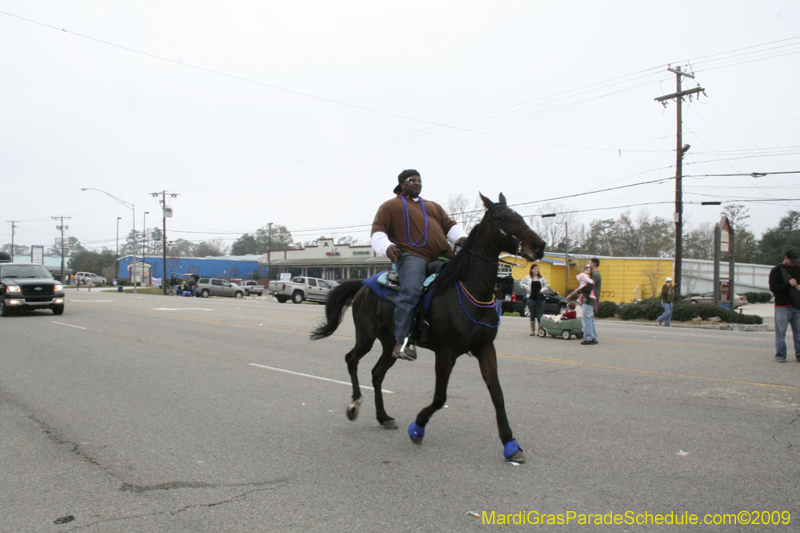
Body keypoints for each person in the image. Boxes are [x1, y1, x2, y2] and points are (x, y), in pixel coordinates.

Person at [371, 169, 468, 361]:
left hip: (442, 256)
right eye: (412, 180)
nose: (417, 183)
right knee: (412, 290)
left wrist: (463, 238)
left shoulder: (433, 206)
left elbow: (450, 226)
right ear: (402, 185)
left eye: (419, 180)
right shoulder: (390, 206)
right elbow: (377, 231)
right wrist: (387, 247)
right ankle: (402, 342)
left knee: (466, 281)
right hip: (412, 256)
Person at [768, 250, 800, 363]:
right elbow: (774, 288)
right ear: (786, 258)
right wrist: (788, 285)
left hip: (797, 306)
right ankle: (780, 355)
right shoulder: (776, 271)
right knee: (780, 333)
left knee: (799, 333)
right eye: (791, 260)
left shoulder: (798, 269)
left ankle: (799, 355)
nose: (793, 263)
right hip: (782, 306)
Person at [576, 257, 601, 345]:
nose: (589, 264)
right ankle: (593, 337)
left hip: (589, 300)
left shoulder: (595, 275)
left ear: (593, 264)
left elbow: (589, 287)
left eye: (590, 263)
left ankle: (589, 337)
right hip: (590, 300)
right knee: (590, 319)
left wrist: (580, 290)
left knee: (586, 318)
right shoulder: (595, 274)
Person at [520, 264, 548, 336]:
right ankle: (532, 330)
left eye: (537, 269)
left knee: (540, 313)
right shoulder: (528, 278)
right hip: (532, 298)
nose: (536, 270)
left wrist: (542, 290)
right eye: (535, 269)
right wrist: (525, 286)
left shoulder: (541, 278)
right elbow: (521, 283)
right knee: (532, 313)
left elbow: (546, 286)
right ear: (532, 270)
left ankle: (540, 330)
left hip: (540, 298)